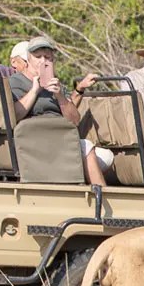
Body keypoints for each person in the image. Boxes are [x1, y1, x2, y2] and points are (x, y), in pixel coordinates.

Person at [7, 36, 111, 185]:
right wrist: (35, 91)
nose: (43, 61)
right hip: (33, 141)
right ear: (28, 59)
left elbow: (74, 120)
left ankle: (100, 200)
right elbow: (13, 116)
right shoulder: (15, 82)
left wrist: (59, 95)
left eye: (47, 57)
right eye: (38, 57)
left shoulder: (57, 85)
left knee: (97, 152)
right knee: (88, 149)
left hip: (62, 140)